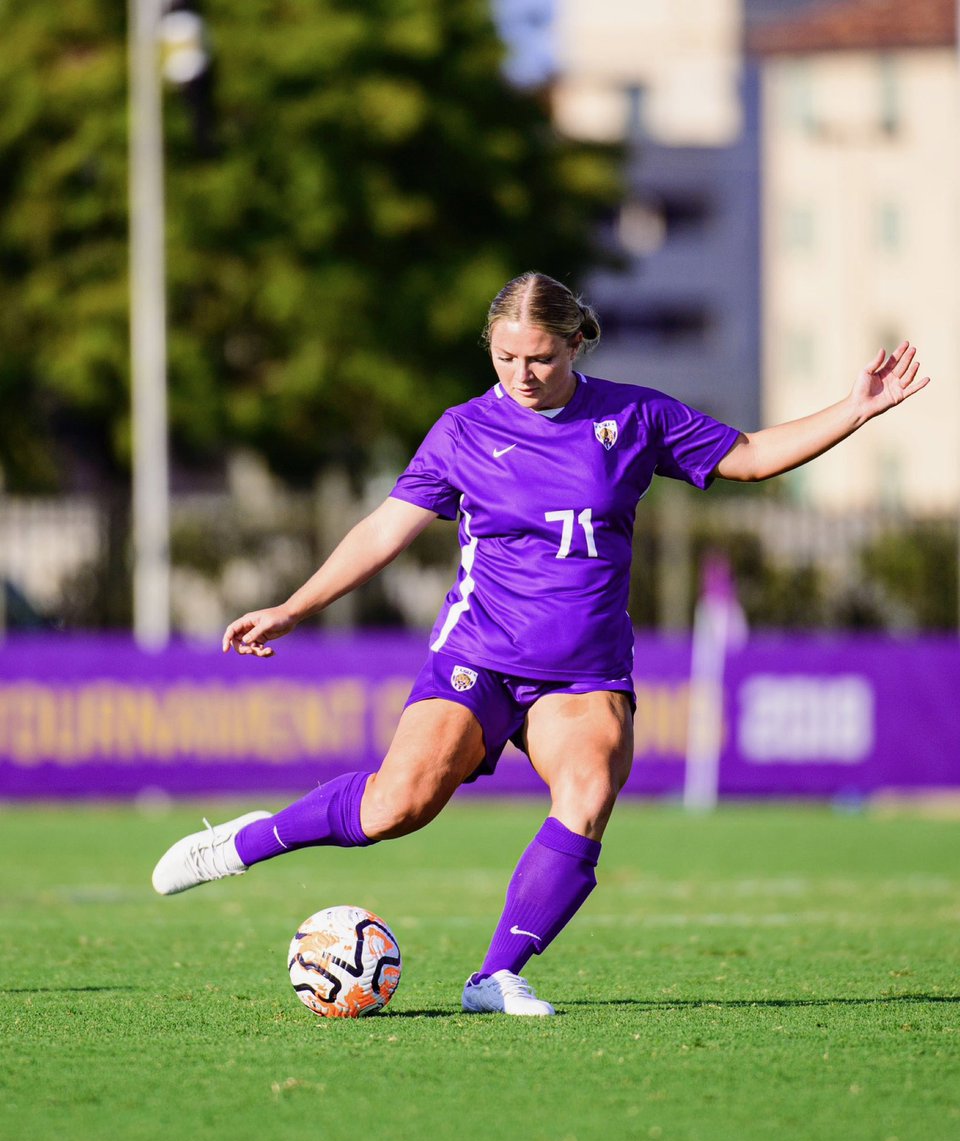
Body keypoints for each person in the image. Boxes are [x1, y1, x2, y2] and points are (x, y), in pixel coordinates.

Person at [152, 272, 928, 1016]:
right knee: (397, 807)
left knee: (586, 795)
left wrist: (854, 410)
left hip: (584, 672)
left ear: (576, 343)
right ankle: (246, 841)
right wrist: (294, 607)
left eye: (541, 358)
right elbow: (384, 531)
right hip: (479, 656)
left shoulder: (634, 416)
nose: (522, 374)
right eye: (505, 357)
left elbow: (750, 457)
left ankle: (496, 976)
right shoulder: (462, 430)